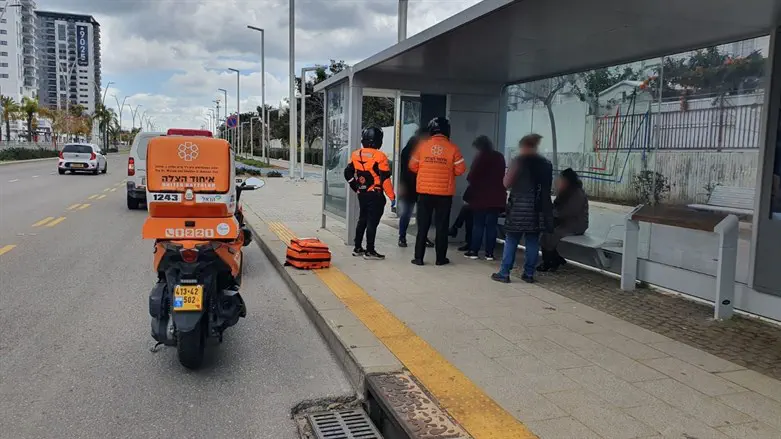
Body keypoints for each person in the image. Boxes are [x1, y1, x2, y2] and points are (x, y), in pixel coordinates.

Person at [491, 134, 553, 283]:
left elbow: (506, 183)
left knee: (511, 239)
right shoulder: (545, 164)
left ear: (524, 146)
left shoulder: (518, 162)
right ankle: (529, 274)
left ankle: (504, 273)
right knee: (532, 241)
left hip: (519, 207)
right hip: (537, 209)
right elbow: (547, 187)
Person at [409, 117, 466, 266]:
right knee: (441, 227)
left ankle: (418, 258)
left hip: (424, 194)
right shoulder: (453, 148)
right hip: (444, 195)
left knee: (423, 226)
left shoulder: (422, 147)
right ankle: (440, 259)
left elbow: (412, 166)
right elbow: (460, 169)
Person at [344, 126, 395, 260]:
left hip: (362, 193)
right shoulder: (380, 156)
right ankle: (370, 251)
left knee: (362, 219)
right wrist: (392, 197)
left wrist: (355, 186)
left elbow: (347, 172)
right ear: (377, 141)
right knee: (372, 222)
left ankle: (357, 247)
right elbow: (385, 179)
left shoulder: (356, 154)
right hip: (375, 194)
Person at [464, 135, 507, 261]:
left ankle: (474, 251)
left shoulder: (481, 157)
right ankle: (489, 253)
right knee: (491, 226)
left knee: (478, 225)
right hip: (496, 197)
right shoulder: (499, 156)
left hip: (481, 197)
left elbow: (471, 177)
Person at [538, 168, 589, 272]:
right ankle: (554, 260)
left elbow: (570, 211)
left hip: (576, 224)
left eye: (562, 180)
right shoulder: (564, 192)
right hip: (563, 221)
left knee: (553, 234)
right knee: (545, 231)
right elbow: (556, 206)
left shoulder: (577, 193)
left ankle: (549, 262)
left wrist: (553, 214)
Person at [398, 129, 434, 249]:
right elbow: (404, 170)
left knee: (417, 213)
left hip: (417, 185)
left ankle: (411, 237)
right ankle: (404, 236)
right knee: (411, 213)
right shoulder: (412, 150)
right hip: (413, 185)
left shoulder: (416, 149)